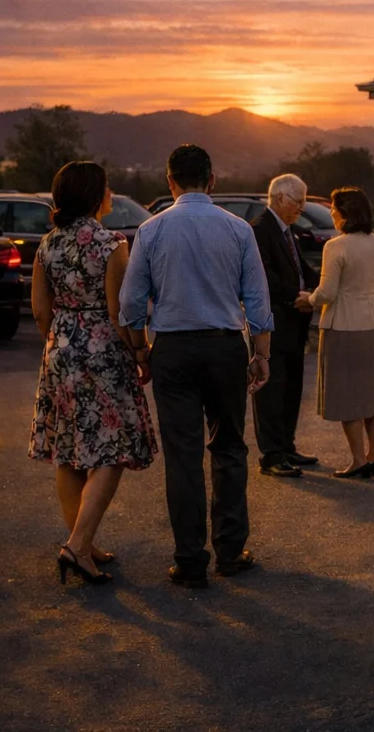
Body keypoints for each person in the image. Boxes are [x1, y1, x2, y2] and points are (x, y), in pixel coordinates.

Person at [120, 144, 272, 589]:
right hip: (226, 347)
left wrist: (141, 350)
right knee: (229, 448)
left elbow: (131, 305)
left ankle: (189, 560)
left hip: (173, 350)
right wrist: (260, 353)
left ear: (169, 182)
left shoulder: (150, 230)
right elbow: (258, 301)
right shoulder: (239, 229)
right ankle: (229, 551)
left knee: (183, 457)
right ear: (212, 181)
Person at [29, 161, 157, 586]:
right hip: (102, 350)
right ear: (95, 195)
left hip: (60, 349)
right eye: (107, 187)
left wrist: (62, 340)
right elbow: (120, 312)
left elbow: (39, 311)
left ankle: (83, 543)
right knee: (114, 447)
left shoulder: (46, 245)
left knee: (69, 448)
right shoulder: (110, 244)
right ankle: (78, 545)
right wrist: (140, 352)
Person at [308, 187, 374, 478]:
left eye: (334, 208)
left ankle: (358, 459)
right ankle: (373, 455)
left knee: (348, 397)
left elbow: (327, 292)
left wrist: (307, 299)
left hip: (344, 325)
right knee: (373, 394)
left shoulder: (336, 246)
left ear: (345, 213)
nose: (332, 213)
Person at [249, 173, 319, 478]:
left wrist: (319, 292)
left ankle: (287, 444)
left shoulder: (288, 231)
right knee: (271, 390)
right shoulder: (260, 230)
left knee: (292, 388)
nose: (302, 208)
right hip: (274, 322)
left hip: (296, 321)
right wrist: (299, 296)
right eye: (298, 201)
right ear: (279, 198)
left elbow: (304, 271)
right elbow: (265, 278)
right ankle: (272, 453)